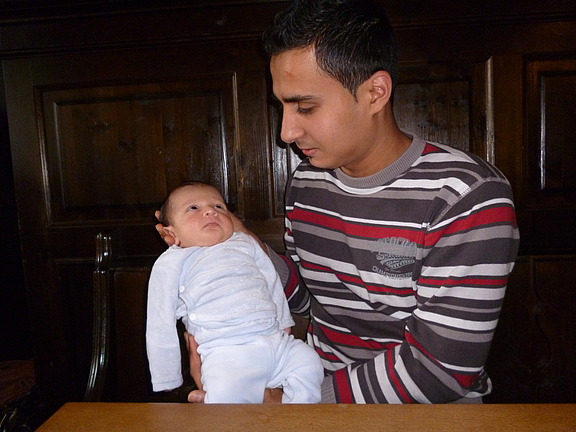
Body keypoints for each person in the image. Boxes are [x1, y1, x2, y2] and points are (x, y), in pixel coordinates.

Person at [159, 0, 520, 404]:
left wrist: (289, 404)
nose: (286, 132)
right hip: (307, 386)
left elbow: (440, 371)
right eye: (282, 106)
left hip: (422, 414)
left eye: (305, 107)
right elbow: (307, 298)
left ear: (375, 93)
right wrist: (240, 244)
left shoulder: (467, 194)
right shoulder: (307, 181)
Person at [146, 181, 323, 403]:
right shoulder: (172, 262)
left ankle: (300, 412)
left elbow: (271, 280)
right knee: (227, 399)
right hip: (226, 350)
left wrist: (283, 322)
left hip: (275, 343)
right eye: (193, 208)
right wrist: (167, 376)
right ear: (170, 233)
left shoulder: (245, 243)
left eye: (219, 207)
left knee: (308, 362)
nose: (210, 211)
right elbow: (159, 320)